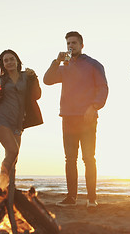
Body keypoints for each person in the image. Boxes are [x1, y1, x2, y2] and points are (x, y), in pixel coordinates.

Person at [44, 31, 108, 208]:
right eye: (68, 43)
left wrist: (94, 106)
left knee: (88, 158)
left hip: (87, 119)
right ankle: (71, 198)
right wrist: (56, 61)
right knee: (70, 159)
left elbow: (102, 88)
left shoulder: (94, 64)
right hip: (68, 118)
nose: (70, 46)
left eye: (74, 43)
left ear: (81, 45)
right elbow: (47, 80)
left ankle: (92, 199)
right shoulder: (63, 67)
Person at [0, 49, 43, 233]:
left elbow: (37, 95)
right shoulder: (1, 80)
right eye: (5, 61)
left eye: (11, 59)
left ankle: (10, 189)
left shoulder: (28, 76)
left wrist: (36, 78)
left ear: (17, 61)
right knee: (12, 151)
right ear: (3, 65)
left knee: (14, 158)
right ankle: (2, 186)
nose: (9, 62)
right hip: (0, 119)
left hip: (18, 122)